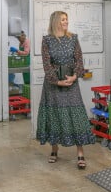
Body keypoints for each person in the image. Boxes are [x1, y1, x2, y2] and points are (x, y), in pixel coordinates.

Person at [36, 11, 95, 169]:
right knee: (55, 116)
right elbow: (46, 65)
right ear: (55, 22)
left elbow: (79, 60)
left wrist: (75, 76)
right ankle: (54, 150)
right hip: (53, 86)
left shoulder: (73, 38)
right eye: (63, 19)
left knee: (76, 117)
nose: (66, 22)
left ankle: (80, 153)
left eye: (67, 19)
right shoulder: (47, 40)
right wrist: (57, 82)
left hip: (71, 83)